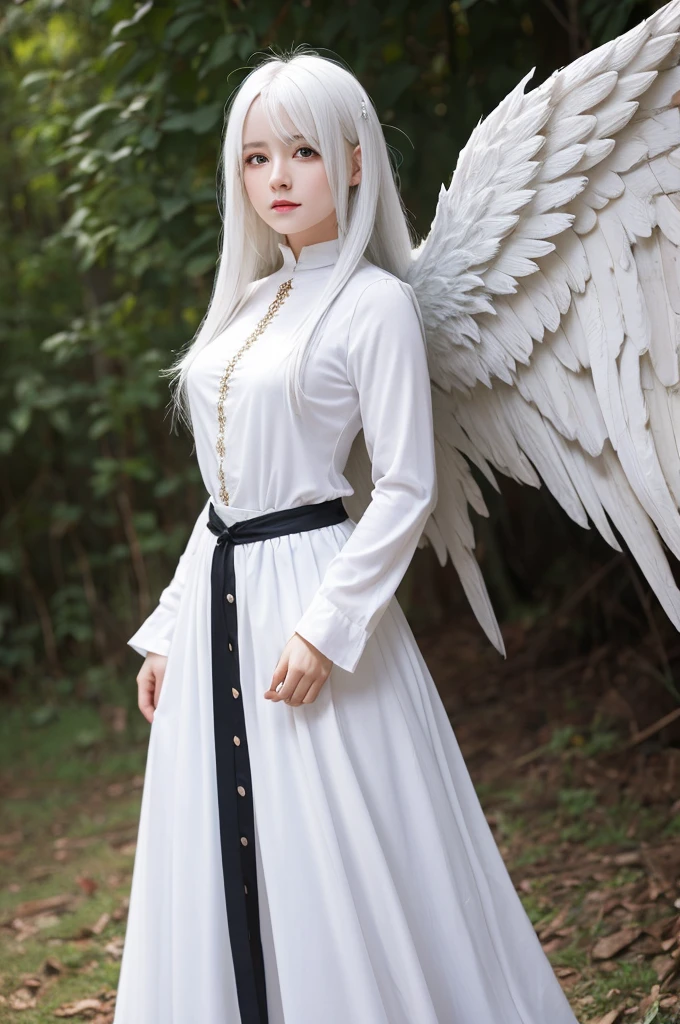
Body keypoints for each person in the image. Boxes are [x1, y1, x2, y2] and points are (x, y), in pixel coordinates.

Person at [113, 49, 579, 1024]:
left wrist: (329, 625)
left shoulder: (374, 305)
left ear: (353, 161)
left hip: (312, 595)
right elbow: (223, 499)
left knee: (336, 840)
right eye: (254, 158)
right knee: (226, 847)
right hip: (220, 606)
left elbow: (406, 484)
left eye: (301, 152)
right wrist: (166, 624)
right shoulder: (240, 305)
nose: (277, 177)